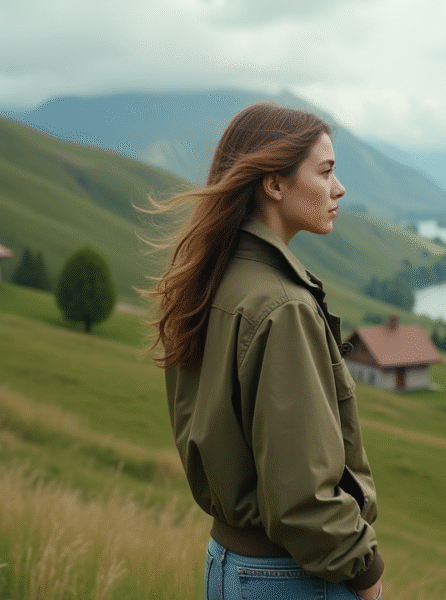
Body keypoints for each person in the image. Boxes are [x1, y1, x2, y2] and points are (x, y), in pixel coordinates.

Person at [146, 103, 384, 600]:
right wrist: (367, 574)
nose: (338, 189)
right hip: (291, 579)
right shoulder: (283, 306)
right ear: (273, 184)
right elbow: (303, 498)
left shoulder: (213, 281)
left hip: (229, 564)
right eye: (325, 172)